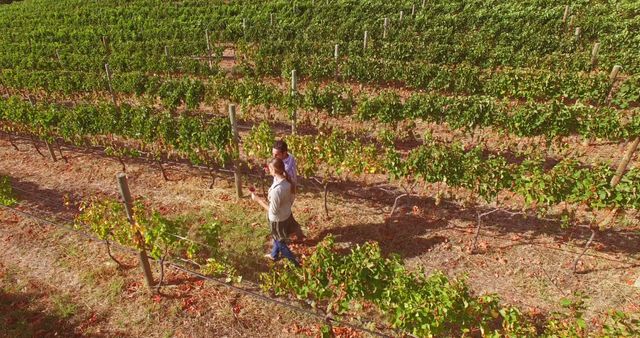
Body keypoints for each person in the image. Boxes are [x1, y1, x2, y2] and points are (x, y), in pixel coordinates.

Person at [251, 157, 300, 266]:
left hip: (277, 220)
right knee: (276, 237)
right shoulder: (288, 181)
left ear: (273, 170)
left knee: (280, 242)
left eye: (270, 168)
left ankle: (295, 262)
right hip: (286, 215)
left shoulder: (277, 190)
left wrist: (258, 200)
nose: (268, 170)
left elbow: (272, 211)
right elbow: (291, 200)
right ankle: (274, 255)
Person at [272, 140, 305, 241]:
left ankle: (281, 237)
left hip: (286, 192)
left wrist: (273, 170)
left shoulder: (286, 169)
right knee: (286, 212)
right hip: (289, 190)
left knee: (280, 214)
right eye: (273, 154)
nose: (274, 157)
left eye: (276, 155)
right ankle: (298, 232)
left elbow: (281, 179)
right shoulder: (290, 156)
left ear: (284, 153)